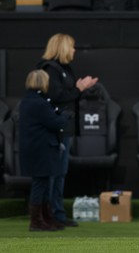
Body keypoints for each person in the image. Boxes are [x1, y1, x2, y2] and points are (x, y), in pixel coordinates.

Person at [36, 33, 98, 228]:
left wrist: (80, 88)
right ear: (61, 47)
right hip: (54, 129)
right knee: (54, 173)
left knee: (60, 172)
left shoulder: (64, 69)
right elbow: (55, 96)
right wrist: (79, 88)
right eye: (71, 47)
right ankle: (50, 214)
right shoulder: (49, 69)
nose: (74, 50)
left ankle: (57, 213)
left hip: (65, 128)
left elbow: (67, 96)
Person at [19, 69, 68, 231]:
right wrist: (64, 116)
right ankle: (36, 221)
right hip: (41, 151)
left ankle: (46, 219)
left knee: (45, 184)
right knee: (40, 185)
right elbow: (55, 123)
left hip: (36, 150)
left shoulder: (28, 101)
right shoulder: (39, 103)